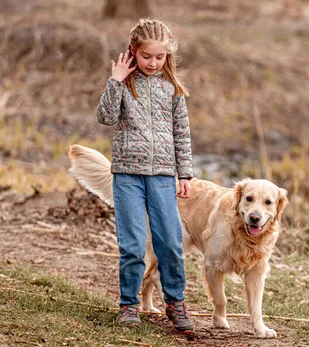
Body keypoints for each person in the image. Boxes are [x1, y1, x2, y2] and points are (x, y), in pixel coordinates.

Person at [96, 18, 194, 333]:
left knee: (170, 241)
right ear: (133, 52)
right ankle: (128, 305)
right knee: (133, 243)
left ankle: (175, 302)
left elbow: (182, 133)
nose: (153, 63)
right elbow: (105, 117)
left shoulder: (173, 89)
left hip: (164, 177)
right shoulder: (123, 84)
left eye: (160, 57)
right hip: (127, 176)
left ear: (168, 57)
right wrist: (115, 80)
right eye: (147, 56)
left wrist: (185, 173)